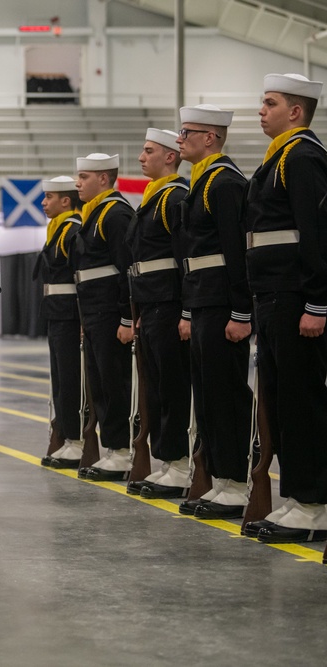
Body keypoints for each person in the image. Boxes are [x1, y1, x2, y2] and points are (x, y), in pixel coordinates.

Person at [242, 73, 327, 543]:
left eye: (270, 103)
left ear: (295, 112)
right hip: (273, 296)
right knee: (278, 401)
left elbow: (316, 235)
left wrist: (317, 302)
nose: (261, 110)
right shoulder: (275, 160)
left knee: (301, 402)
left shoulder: (303, 157)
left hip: (296, 298)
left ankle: (315, 503)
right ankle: (297, 498)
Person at [174, 104, 252, 519]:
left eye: (187, 132)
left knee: (226, 394)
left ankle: (236, 484)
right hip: (202, 298)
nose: (179, 139)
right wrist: (188, 309)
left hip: (222, 300)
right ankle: (220, 480)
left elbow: (236, 252)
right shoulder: (199, 182)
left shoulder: (225, 183)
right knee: (206, 396)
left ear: (211, 138)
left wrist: (241, 312)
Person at [126, 129, 193, 499]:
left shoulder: (174, 198)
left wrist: (185, 311)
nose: (141, 157)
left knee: (173, 386)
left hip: (169, 305)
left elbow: (184, 258)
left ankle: (180, 463)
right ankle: (168, 461)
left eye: (149, 151)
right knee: (155, 389)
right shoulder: (153, 199)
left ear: (170, 157)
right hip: (151, 306)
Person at [71, 153, 135, 481]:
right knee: (99, 383)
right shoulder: (93, 214)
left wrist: (126, 318)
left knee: (114, 381)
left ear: (104, 179)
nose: (77, 184)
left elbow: (127, 269)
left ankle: (122, 451)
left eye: (84, 177)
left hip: (111, 311)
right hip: (94, 311)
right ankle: (113, 449)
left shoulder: (116, 214)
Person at [35, 176, 84, 468]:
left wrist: (82, 319)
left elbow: (80, 278)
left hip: (70, 314)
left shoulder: (73, 231)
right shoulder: (57, 230)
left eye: (50, 196)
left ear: (66, 201)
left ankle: (77, 440)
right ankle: (66, 436)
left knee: (71, 380)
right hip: (56, 312)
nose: (44, 202)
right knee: (59, 381)